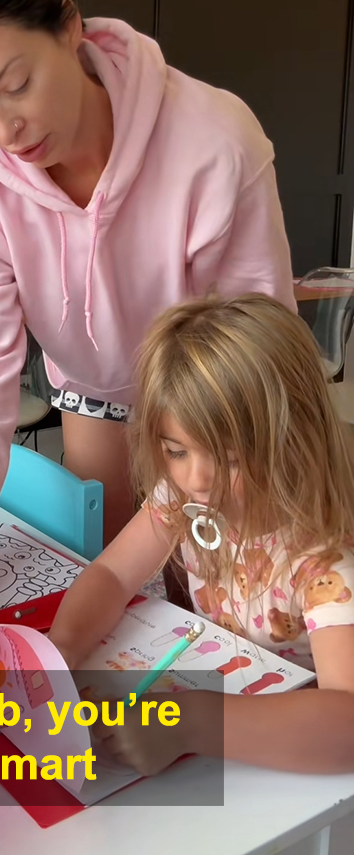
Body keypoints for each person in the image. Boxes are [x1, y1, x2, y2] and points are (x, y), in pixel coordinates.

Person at [0, 0, 296, 632]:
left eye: (16, 85)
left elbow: (257, 348)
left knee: (219, 600)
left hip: (216, 408)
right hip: (95, 399)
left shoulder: (215, 143)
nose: (4, 128)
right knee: (112, 595)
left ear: (68, 25)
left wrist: (201, 461)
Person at [47, 293, 354, 774]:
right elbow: (111, 574)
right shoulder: (186, 498)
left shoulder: (326, 561)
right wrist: (62, 648)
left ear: (295, 441)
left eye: (230, 459)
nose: (197, 479)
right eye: (176, 451)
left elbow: (346, 724)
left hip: (290, 763)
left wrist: (191, 724)